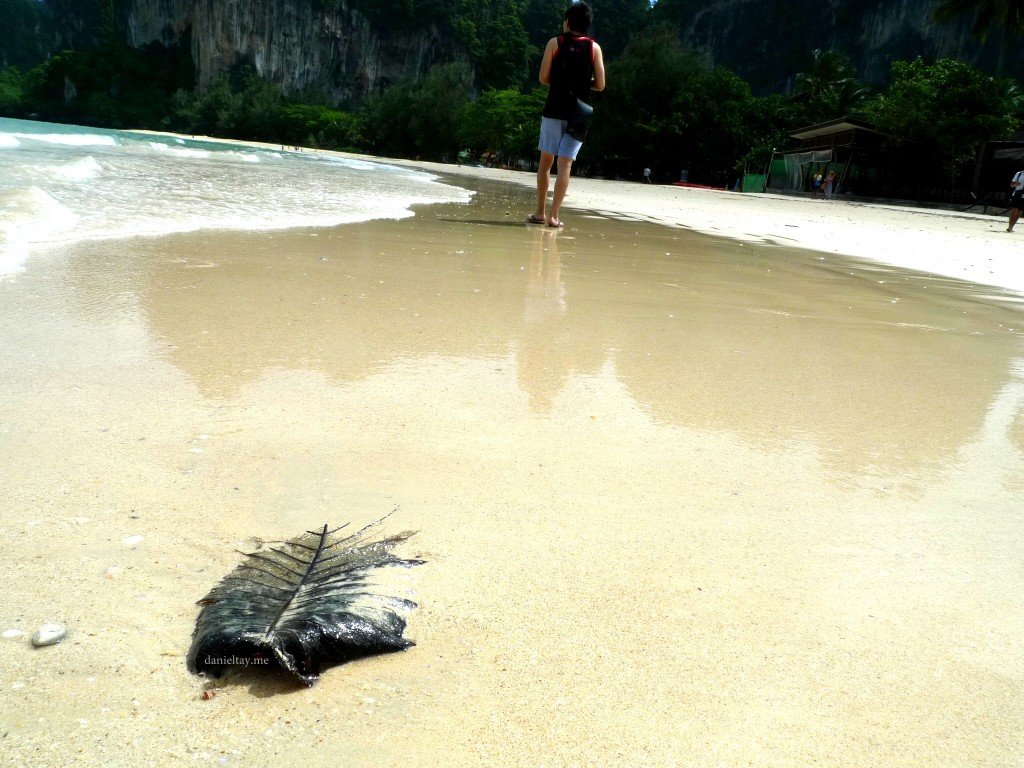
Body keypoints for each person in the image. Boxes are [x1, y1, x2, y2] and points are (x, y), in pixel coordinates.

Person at [529, 2, 606, 228]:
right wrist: (582, 84)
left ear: (567, 22)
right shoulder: (595, 48)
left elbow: (543, 78)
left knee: (545, 163)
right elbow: (600, 85)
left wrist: (561, 81)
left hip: (554, 110)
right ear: (587, 25)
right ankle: (554, 217)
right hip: (579, 114)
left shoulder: (555, 42)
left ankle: (540, 213)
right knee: (565, 165)